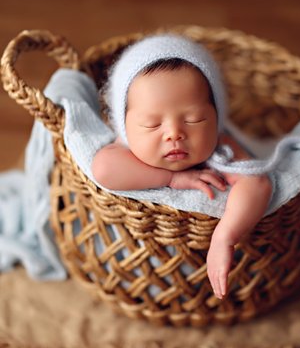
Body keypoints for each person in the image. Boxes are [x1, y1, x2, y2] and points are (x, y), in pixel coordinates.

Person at [92, 34, 272, 299]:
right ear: (125, 126)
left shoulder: (221, 146)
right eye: (152, 124)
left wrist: (225, 237)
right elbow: (103, 169)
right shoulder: (126, 147)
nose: (174, 134)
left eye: (194, 119)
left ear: (216, 117)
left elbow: (257, 183)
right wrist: (172, 179)